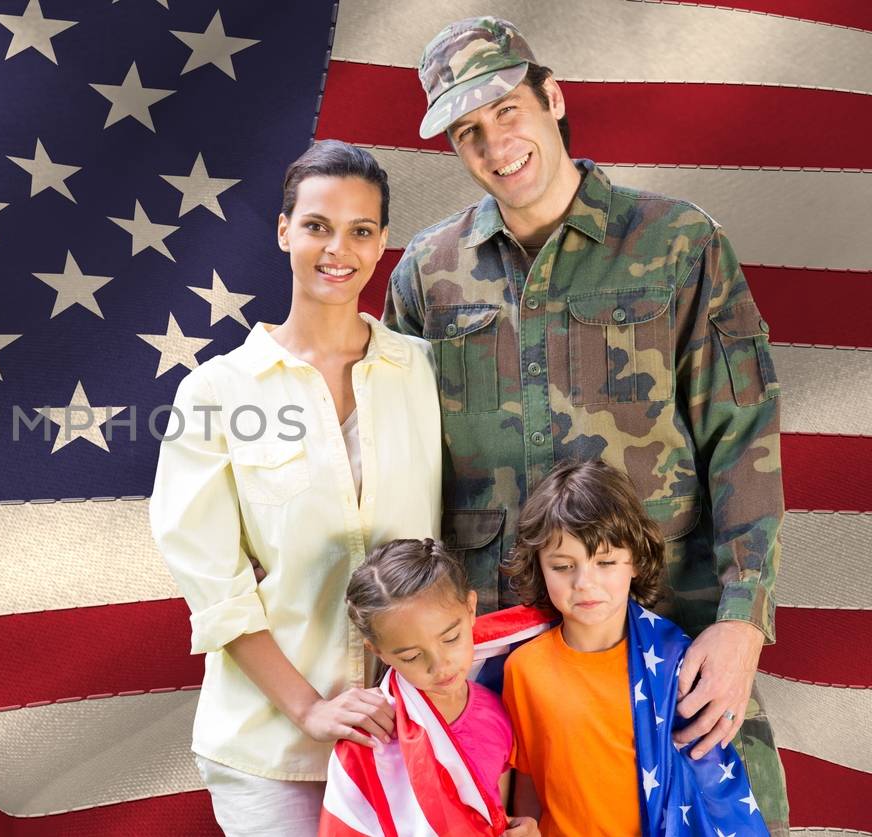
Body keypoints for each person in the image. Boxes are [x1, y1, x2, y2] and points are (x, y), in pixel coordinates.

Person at [383, 16, 787, 832]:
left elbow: (742, 436)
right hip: (496, 649)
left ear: (552, 98)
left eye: (508, 113)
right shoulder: (430, 275)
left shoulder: (677, 244)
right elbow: (397, 473)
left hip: (663, 628)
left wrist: (743, 618)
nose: (497, 146)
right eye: (469, 132)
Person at [149, 139, 440, 835]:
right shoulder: (217, 391)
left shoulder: (426, 372)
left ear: (382, 244)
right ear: (284, 231)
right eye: (317, 225)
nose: (337, 249)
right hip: (270, 746)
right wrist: (311, 707)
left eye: (360, 230)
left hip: (410, 736)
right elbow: (216, 587)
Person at [501, 459, 767, 835]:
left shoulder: (680, 666)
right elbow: (527, 775)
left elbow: (706, 780)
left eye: (606, 562)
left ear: (636, 562)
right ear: (539, 567)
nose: (584, 583)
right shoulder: (523, 668)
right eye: (563, 566)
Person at [346, 538, 538, 837]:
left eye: (450, 639)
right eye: (411, 656)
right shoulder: (373, 734)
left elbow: (492, 813)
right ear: (377, 651)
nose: (440, 666)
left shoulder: (495, 711)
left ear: (471, 608)